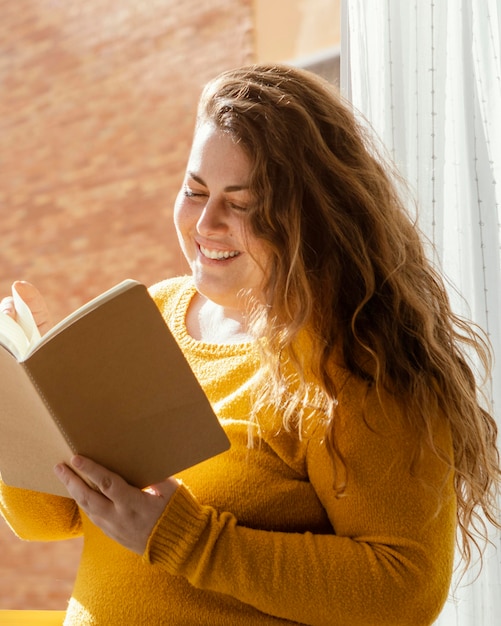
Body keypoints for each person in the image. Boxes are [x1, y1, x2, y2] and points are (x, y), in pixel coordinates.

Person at [1, 64, 500, 626]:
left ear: (313, 214)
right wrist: (19, 406)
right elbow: (53, 518)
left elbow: (404, 587)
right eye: (195, 191)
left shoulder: (358, 360)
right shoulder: (151, 316)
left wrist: (185, 539)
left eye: (242, 204)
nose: (206, 223)